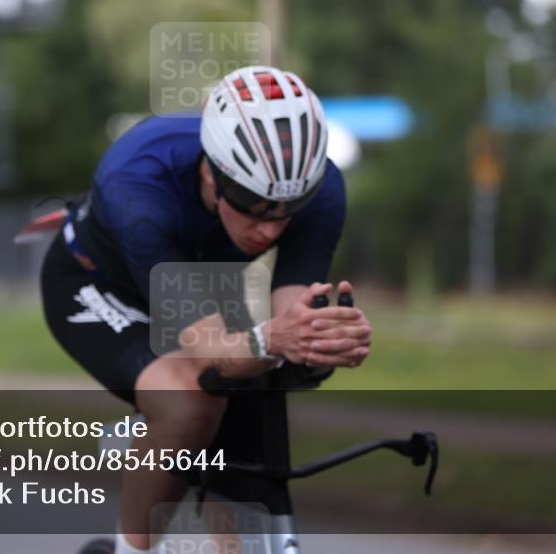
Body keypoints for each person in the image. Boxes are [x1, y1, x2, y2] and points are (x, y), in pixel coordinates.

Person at [40, 65, 372, 554]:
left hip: (204, 285)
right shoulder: (138, 183)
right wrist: (272, 339)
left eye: (290, 208)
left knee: (249, 406)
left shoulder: (320, 188)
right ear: (211, 172)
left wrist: (321, 337)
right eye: (251, 202)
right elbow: (212, 352)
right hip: (97, 284)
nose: (270, 229)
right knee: (190, 403)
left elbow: (290, 313)